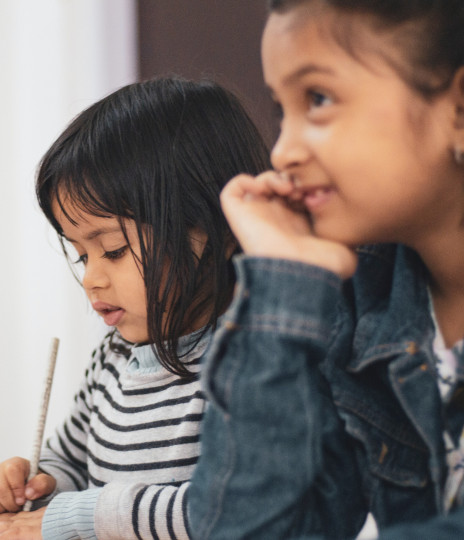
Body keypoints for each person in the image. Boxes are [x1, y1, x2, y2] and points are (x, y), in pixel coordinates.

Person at [188, 0, 464, 538]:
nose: (283, 151)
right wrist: (281, 283)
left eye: (318, 98)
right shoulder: (361, 299)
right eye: (280, 111)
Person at [0, 77, 270, 540]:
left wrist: (84, 516)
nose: (92, 277)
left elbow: (231, 509)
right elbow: (72, 457)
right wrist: (35, 481)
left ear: (215, 225)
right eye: (80, 254)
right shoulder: (113, 358)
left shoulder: (255, 361)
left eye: (111, 249)